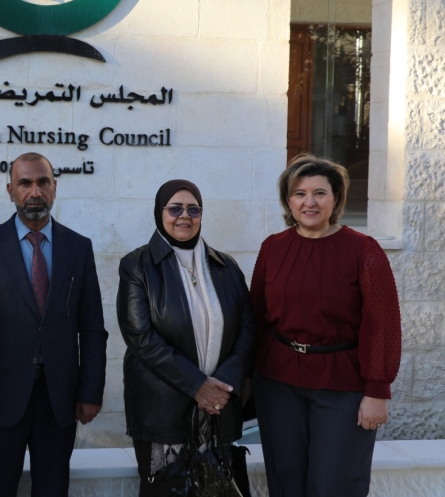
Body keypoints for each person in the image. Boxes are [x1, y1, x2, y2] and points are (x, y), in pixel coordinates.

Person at [0, 152, 108, 497]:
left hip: (59, 401)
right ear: (10, 190)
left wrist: (90, 392)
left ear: (55, 188)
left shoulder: (79, 248)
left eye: (43, 182)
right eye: (24, 183)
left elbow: (92, 328)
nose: (34, 191)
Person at [251, 154, 402, 497]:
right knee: (286, 481)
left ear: (336, 199)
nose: (309, 202)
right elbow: (256, 316)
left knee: (334, 484)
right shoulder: (273, 248)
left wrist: (377, 391)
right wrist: (247, 378)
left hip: (343, 385)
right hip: (278, 382)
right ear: (288, 201)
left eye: (319, 193)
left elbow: (383, 324)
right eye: (300, 193)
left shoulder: (363, 250)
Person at [116, 179, 254, 497]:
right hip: (163, 409)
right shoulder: (137, 266)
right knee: (168, 490)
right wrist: (197, 386)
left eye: (193, 209)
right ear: (159, 212)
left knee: (216, 489)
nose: (184, 216)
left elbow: (248, 327)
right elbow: (140, 336)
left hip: (217, 408)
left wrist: (223, 384)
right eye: (175, 208)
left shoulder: (226, 266)